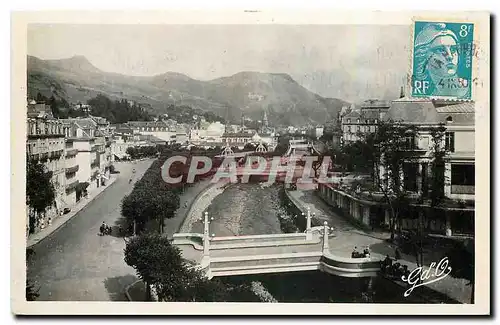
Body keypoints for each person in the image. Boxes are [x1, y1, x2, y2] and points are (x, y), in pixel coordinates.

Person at [413, 22, 470, 99]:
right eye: (440, 50)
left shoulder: (472, 89)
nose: (450, 56)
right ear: (423, 58)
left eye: (453, 49)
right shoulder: (429, 95)